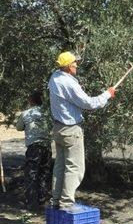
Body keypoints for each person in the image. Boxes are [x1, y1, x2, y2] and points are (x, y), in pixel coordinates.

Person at [48, 51, 116, 210]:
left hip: (58, 129)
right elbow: (88, 103)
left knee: (60, 166)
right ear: (67, 66)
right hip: (71, 130)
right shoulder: (68, 83)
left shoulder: (54, 77)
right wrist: (107, 94)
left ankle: (56, 200)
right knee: (75, 168)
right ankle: (66, 204)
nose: (76, 65)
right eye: (74, 63)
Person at [15, 91, 53, 211]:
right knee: (44, 173)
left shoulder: (26, 114)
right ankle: (42, 199)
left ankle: (31, 202)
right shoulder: (47, 113)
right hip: (46, 146)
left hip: (33, 147)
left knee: (31, 174)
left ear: (31, 101)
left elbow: (19, 127)